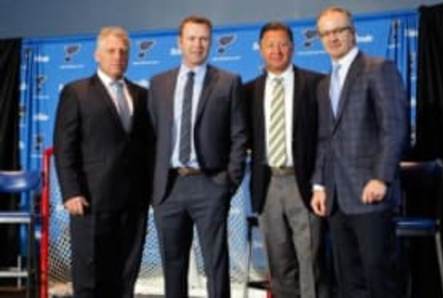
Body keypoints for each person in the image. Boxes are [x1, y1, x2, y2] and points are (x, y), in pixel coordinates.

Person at [310, 6, 407, 298]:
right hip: (337, 197)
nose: (332, 38)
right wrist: (319, 184)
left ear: (352, 32)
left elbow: (395, 127)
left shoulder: (378, 68)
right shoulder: (324, 83)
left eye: (339, 30)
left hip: (370, 193)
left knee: (380, 278)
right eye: (326, 33)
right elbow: (325, 139)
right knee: (349, 281)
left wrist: (381, 178)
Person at [148, 15, 248, 298]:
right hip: (169, 188)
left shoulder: (228, 82)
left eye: (204, 38)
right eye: (191, 38)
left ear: (211, 42)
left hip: (210, 184)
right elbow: (152, 137)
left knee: (216, 264)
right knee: (173, 265)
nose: (197, 44)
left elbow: (239, 135)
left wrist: (228, 182)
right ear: (180, 42)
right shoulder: (158, 84)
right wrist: (154, 188)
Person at [53, 26, 153, 298]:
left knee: (125, 277)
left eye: (123, 51)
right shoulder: (77, 92)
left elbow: (148, 148)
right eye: (111, 50)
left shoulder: (141, 95)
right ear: (97, 55)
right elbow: (65, 147)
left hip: (133, 203)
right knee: (90, 278)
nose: (118, 56)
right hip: (91, 201)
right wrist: (71, 191)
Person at [244, 22, 329, 298]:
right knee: (278, 264)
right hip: (267, 183)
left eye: (282, 44)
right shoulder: (249, 91)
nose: (276, 50)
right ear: (260, 49)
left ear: (292, 48)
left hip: (302, 182)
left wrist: (320, 182)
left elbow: (325, 137)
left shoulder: (316, 84)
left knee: (310, 261)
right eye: (270, 45)